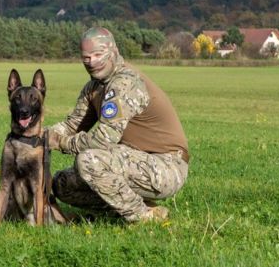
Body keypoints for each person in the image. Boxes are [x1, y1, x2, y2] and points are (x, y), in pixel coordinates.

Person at [48, 27, 189, 222]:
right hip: (132, 160)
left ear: (114, 51)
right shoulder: (94, 87)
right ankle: (132, 208)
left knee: (90, 161)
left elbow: (103, 140)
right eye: (86, 57)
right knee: (63, 184)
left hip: (166, 165)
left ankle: (144, 216)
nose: (92, 62)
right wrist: (39, 136)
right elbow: (73, 124)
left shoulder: (124, 82)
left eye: (98, 55)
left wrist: (62, 143)